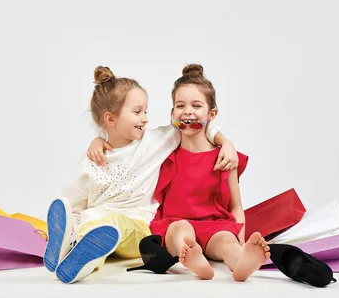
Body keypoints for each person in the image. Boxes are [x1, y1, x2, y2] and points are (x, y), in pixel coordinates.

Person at [44, 65, 239, 284]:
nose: (146, 119)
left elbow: (196, 124)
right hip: (95, 227)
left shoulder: (154, 142)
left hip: (138, 226)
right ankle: (68, 254)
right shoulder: (91, 162)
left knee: (110, 226)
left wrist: (226, 143)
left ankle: (81, 256)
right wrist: (72, 225)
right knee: (88, 227)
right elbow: (73, 203)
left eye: (146, 111)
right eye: (138, 112)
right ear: (110, 120)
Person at [149, 64, 271, 281]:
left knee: (226, 240)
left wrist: (239, 238)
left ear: (211, 114)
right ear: (172, 113)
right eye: (180, 105)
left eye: (196, 105)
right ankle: (192, 257)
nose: (187, 111)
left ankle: (241, 260)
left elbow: (236, 205)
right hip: (174, 223)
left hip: (214, 225)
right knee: (182, 229)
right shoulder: (164, 153)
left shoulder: (225, 158)